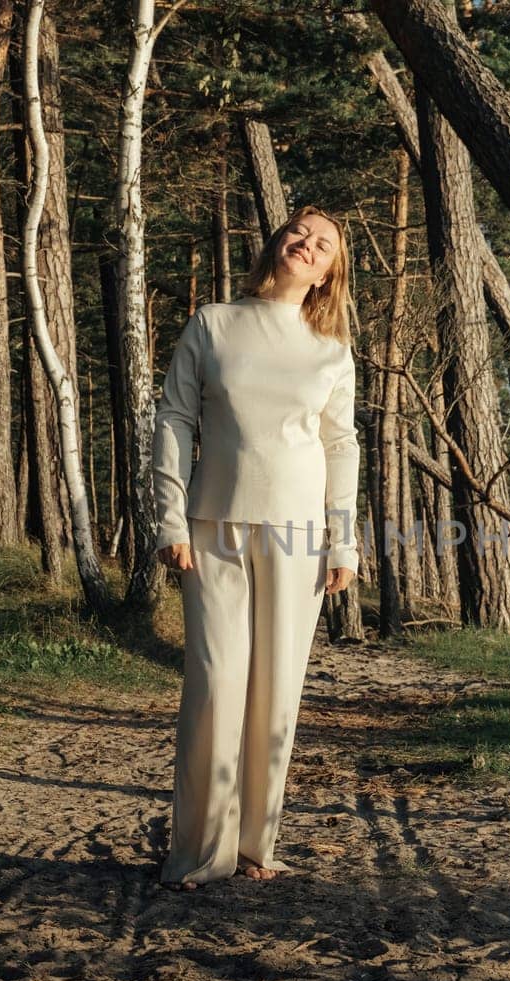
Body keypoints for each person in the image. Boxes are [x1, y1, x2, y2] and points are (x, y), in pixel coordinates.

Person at [151, 206, 360, 891]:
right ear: (277, 241)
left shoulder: (331, 351)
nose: (307, 244)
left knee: (277, 694)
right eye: (300, 231)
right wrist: (170, 519)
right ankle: (199, 853)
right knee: (214, 686)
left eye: (323, 243)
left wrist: (344, 541)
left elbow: (339, 445)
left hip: (300, 537)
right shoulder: (214, 322)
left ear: (331, 270)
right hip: (213, 527)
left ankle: (254, 846)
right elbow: (175, 418)